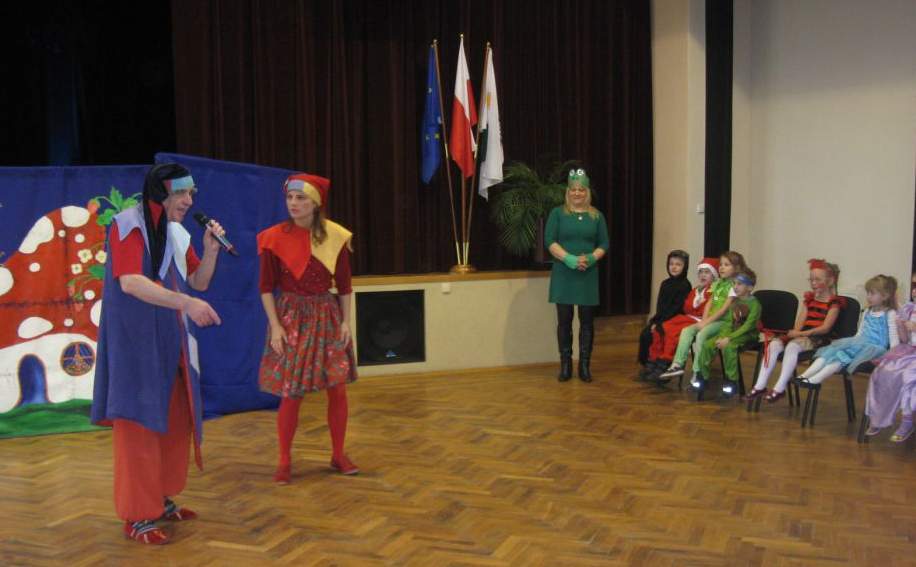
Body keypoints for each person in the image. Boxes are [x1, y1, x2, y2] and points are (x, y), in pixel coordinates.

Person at [91, 163, 225, 545]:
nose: (189, 200)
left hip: (170, 343)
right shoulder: (127, 224)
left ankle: (160, 498)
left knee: (173, 423)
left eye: (192, 193)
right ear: (161, 192)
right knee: (138, 426)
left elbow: (199, 281)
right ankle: (137, 514)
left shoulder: (177, 233)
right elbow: (131, 283)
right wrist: (187, 303)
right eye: (182, 192)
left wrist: (211, 251)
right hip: (135, 344)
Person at [257, 173, 358, 484]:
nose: (293, 203)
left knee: (337, 388)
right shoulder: (273, 238)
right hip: (292, 318)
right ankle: (284, 460)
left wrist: (346, 322)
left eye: (300, 198)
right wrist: (275, 326)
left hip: (326, 315)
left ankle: (338, 454)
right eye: (290, 197)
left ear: (315, 203)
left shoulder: (335, 236)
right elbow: (265, 288)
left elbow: (344, 286)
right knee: (292, 391)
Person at [545, 168, 610, 382]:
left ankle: (584, 366)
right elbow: (549, 241)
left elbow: (604, 243)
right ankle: (565, 365)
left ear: (587, 192)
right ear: (568, 191)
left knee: (587, 322)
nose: (577, 193)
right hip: (564, 273)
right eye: (573, 189)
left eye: (581, 189)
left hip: (587, 274)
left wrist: (590, 258)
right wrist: (569, 259)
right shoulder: (557, 214)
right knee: (564, 321)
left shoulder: (596, 216)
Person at [747, 259, 844, 404]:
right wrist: (791, 334)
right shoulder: (809, 300)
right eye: (811, 279)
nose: (813, 283)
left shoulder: (834, 303)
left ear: (830, 281)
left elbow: (825, 328)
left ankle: (780, 388)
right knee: (773, 344)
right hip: (801, 336)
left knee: (792, 346)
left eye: (818, 279)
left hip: (818, 339)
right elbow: (799, 324)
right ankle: (760, 386)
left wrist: (799, 335)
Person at [658, 251, 748, 380]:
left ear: (736, 268)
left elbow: (723, 310)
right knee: (687, 330)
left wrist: (705, 323)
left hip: (725, 322)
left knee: (702, 334)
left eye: (726, 265)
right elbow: (709, 304)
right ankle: (677, 364)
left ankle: (697, 372)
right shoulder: (718, 284)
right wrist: (703, 321)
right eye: (721, 264)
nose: (722, 267)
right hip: (712, 320)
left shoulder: (735, 286)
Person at [797, 274, 899, 385]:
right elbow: (860, 332)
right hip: (860, 342)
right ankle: (804, 376)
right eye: (868, 293)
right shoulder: (867, 311)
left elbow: (894, 338)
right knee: (832, 352)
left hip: (874, 348)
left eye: (872, 293)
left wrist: (893, 357)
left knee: (841, 358)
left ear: (885, 296)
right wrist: (851, 343)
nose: (868, 296)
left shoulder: (890, 313)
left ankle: (814, 380)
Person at [690, 268, 761, 398]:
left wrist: (728, 338)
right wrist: (722, 337)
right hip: (730, 333)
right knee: (707, 345)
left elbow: (747, 326)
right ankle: (703, 377)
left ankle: (732, 381)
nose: (735, 287)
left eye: (739, 284)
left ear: (750, 287)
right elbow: (728, 323)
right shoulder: (734, 302)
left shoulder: (755, 304)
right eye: (734, 283)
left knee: (729, 347)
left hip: (747, 335)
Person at [647, 258, 719, 383]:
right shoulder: (695, 290)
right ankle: (655, 359)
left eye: (707, 272)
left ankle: (666, 361)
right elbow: (686, 307)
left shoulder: (714, 291)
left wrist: (697, 307)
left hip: (699, 321)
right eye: (701, 272)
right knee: (661, 327)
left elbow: (705, 311)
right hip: (687, 317)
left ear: (714, 275)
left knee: (673, 331)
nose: (703, 275)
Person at [864, 276, 916, 442]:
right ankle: (878, 418)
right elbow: (905, 339)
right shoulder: (910, 309)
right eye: (914, 286)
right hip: (909, 351)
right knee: (882, 371)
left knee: (908, 377)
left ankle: (907, 422)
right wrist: (902, 327)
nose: (914, 291)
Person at [637, 250, 691, 374]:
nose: (674, 267)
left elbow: (677, 308)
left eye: (678, 264)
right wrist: (655, 321)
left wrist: (661, 322)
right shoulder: (665, 283)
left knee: (660, 332)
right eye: (671, 264)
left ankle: (663, 364)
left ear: (685, 267)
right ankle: (648, 363)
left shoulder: (685, 285)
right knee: (646, 334)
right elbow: (660, 306)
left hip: (675, 319)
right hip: (662, 317)